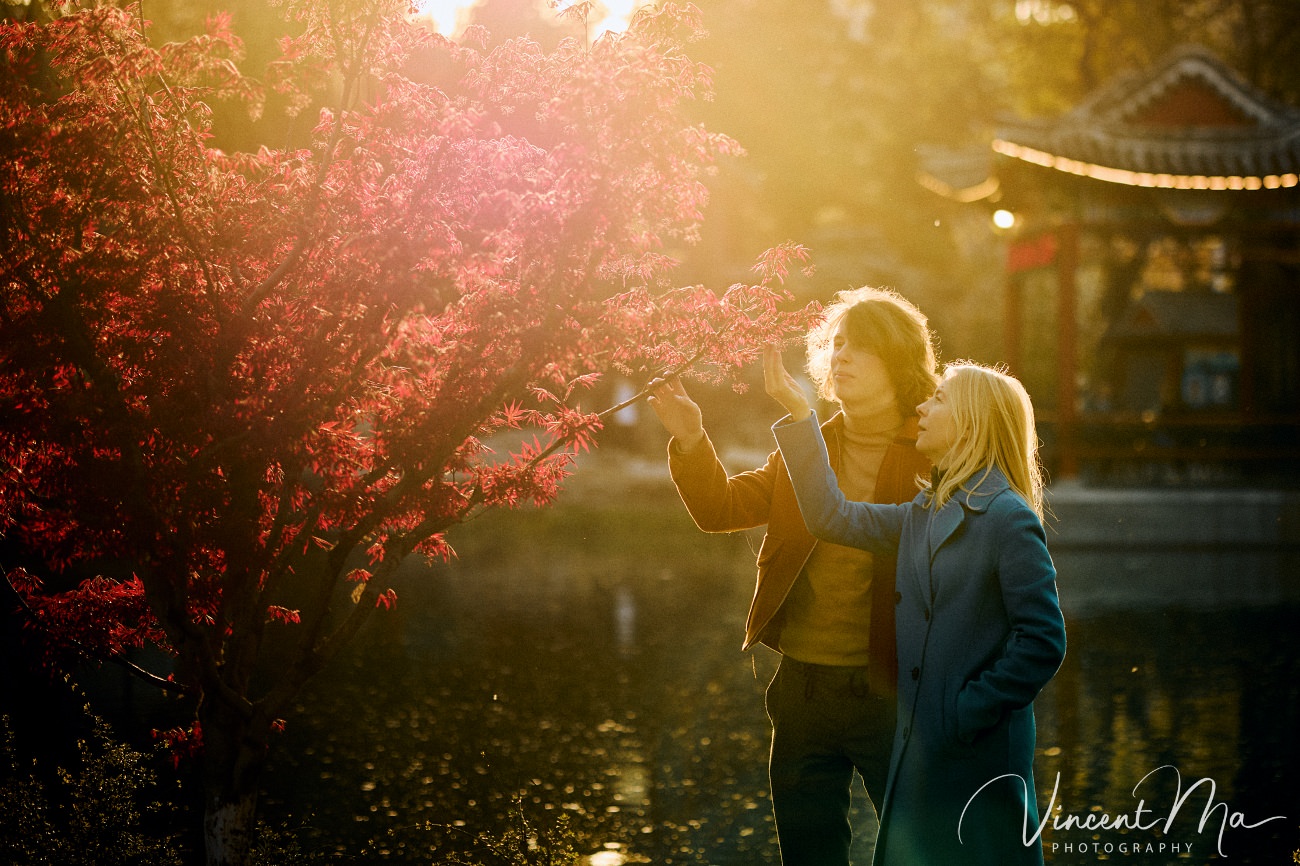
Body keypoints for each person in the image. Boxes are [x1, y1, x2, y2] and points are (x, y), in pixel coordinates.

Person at [647, 287, 937, 866]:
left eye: (861, 347)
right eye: (837, 344)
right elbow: (721, 509)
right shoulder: (808, 446)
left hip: (897, 695)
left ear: (900, 361)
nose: (841, 356)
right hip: (802, 692)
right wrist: (690, 438)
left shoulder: (935, 451)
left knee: (921, 854)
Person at [765, 348, 1068, 866]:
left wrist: (964, 711)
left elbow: (1042, 641)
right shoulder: (923, 513)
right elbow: (830, 516)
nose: (922, 408)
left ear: (970, 422)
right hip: (924, 750)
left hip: (977, 755)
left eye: (939, 400)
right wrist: (798, 414)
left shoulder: (1007, 518)